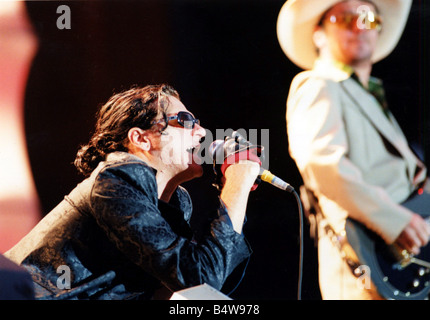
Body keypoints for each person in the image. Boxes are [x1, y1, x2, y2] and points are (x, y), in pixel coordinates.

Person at [5, 84, 260, 300]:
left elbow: (208, 283)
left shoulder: (177, 202)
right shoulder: (117, 177)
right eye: (185, 121)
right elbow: (202, 279)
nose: (202, 132)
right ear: (140, 139)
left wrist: (236, 187)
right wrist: (238, 181)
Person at [277, 0, 430, 299]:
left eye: (368, 18)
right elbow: (322, 164)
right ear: (319, 33)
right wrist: (394, 219)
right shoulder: (317, 84)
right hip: (366, 262)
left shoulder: (364, 93)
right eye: (345, 18)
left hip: (398, 258)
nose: (359, 26)